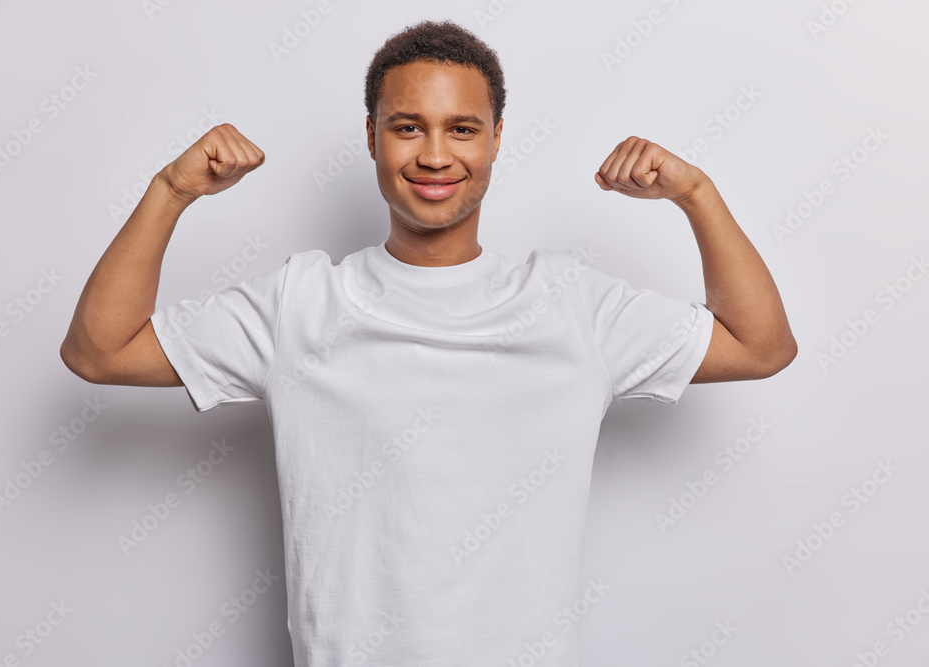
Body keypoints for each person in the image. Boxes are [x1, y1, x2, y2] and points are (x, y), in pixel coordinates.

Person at [60, 18, 795, 667]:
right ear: (372, 137)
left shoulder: (573, 305)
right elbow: (99, 350)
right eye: (407, 126)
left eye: (462, 128)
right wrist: (170, 190)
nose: (434, 155)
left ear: (497, 138)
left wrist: (695, 195)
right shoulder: (300, 303)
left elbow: (761, 346)